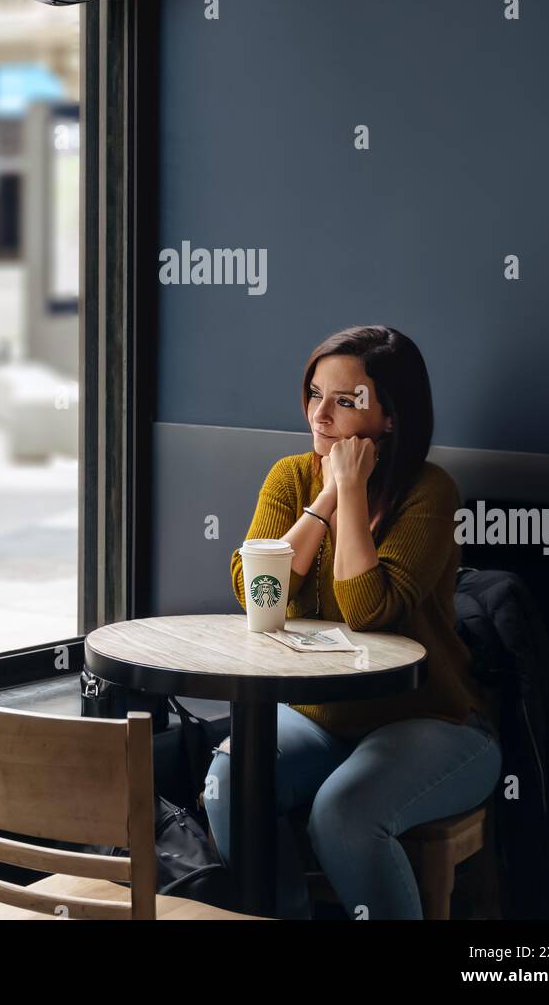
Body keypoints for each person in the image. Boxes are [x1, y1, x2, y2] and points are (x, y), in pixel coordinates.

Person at [204, 325, 503, 920]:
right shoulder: (291, 477)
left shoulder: (430, 492)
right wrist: (323, 502)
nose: (321, 415)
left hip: (434, 721)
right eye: (315, 394)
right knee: (231, 778)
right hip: (322, 720)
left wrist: (351, 487)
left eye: (347, 401)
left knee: (344, 811)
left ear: (390, 417)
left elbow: (368, 609)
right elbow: (254, 592)